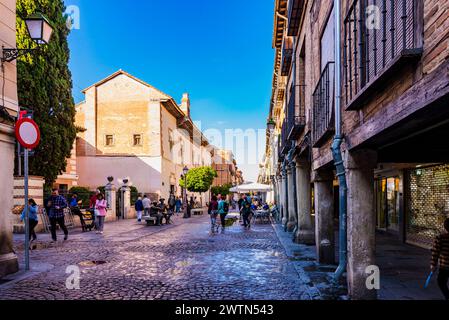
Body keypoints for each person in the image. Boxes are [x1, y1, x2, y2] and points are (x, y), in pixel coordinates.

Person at [431, 218, 449, 300]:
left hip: (445, 266)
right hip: (444, 266)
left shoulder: (440, 238)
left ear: (444, 227)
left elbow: (435, 253)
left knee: (441, 282)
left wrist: (433, 265)